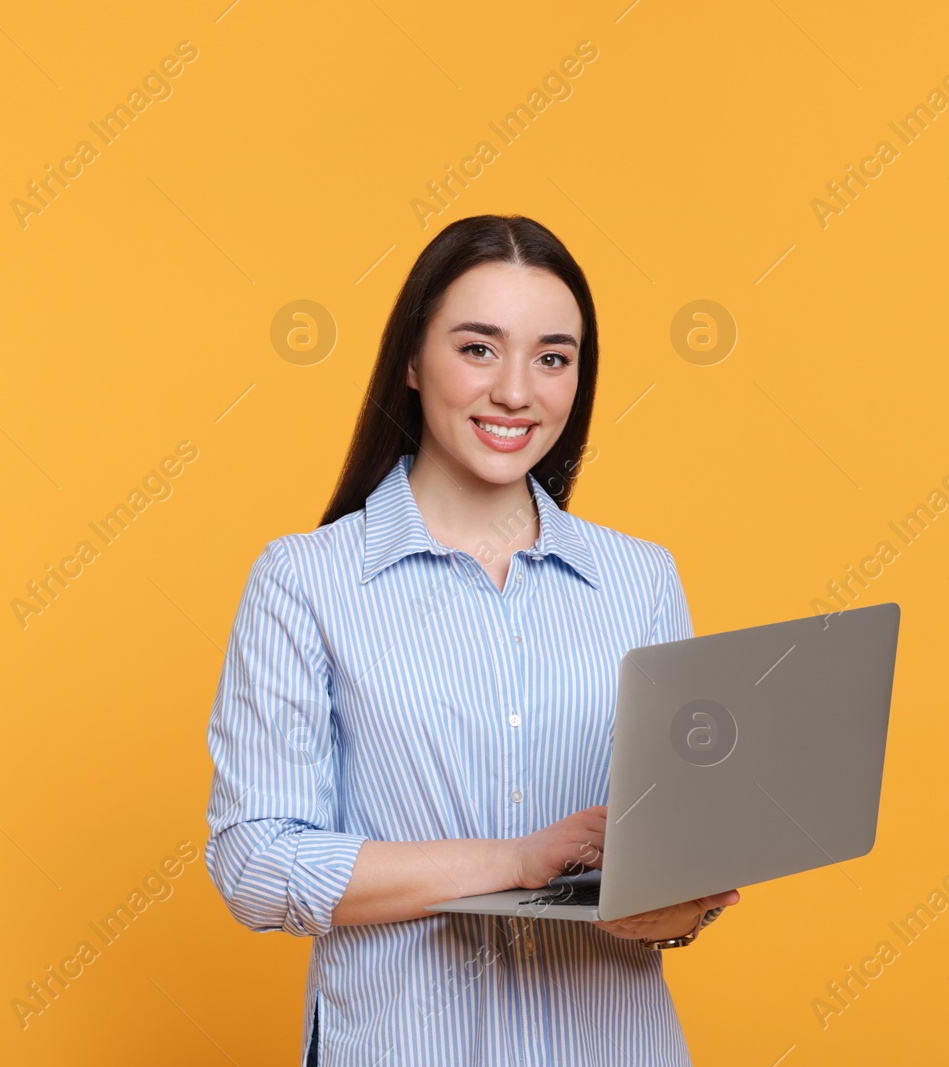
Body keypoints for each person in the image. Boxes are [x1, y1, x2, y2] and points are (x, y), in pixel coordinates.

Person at [204, 214, 741, 1066]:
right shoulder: (306, 581)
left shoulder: (641, 580)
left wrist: (680, 906)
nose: (517, 392)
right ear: (412, 361)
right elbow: (257, 864)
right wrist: (514, 860)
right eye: (479, 348)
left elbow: (669, 853)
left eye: (553, 357)